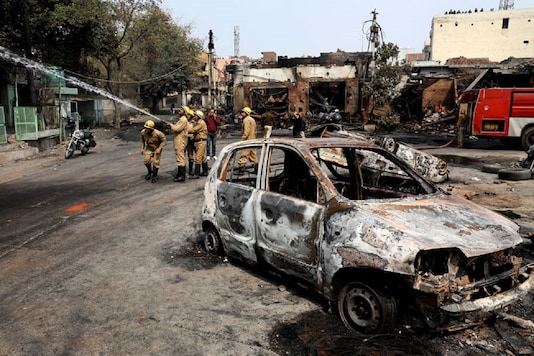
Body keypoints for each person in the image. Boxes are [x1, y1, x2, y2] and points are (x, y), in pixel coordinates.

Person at [165, 106, 189, 182]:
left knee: (180, 158)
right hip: (179, 141)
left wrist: (171, 125)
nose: (179, 110)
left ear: (184, 112)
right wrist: (170, 124)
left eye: (181, 110)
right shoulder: (181, 120)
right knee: (179, 157)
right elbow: (176, 127)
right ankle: (180, 173)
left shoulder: (183, 120)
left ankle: (182, 176)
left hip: (180, 141)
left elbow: (177, 129)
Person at [189, 110, 209, 178]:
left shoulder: (200, 123)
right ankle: (205, 171)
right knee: (203, 157)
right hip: (199, 141)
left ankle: (196, 174)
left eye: (195, 115)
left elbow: (193, 130)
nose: (193, 116)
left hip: (201, 142)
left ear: (199, 116)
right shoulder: (198, 122)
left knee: (198, 157)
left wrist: (185, 128)